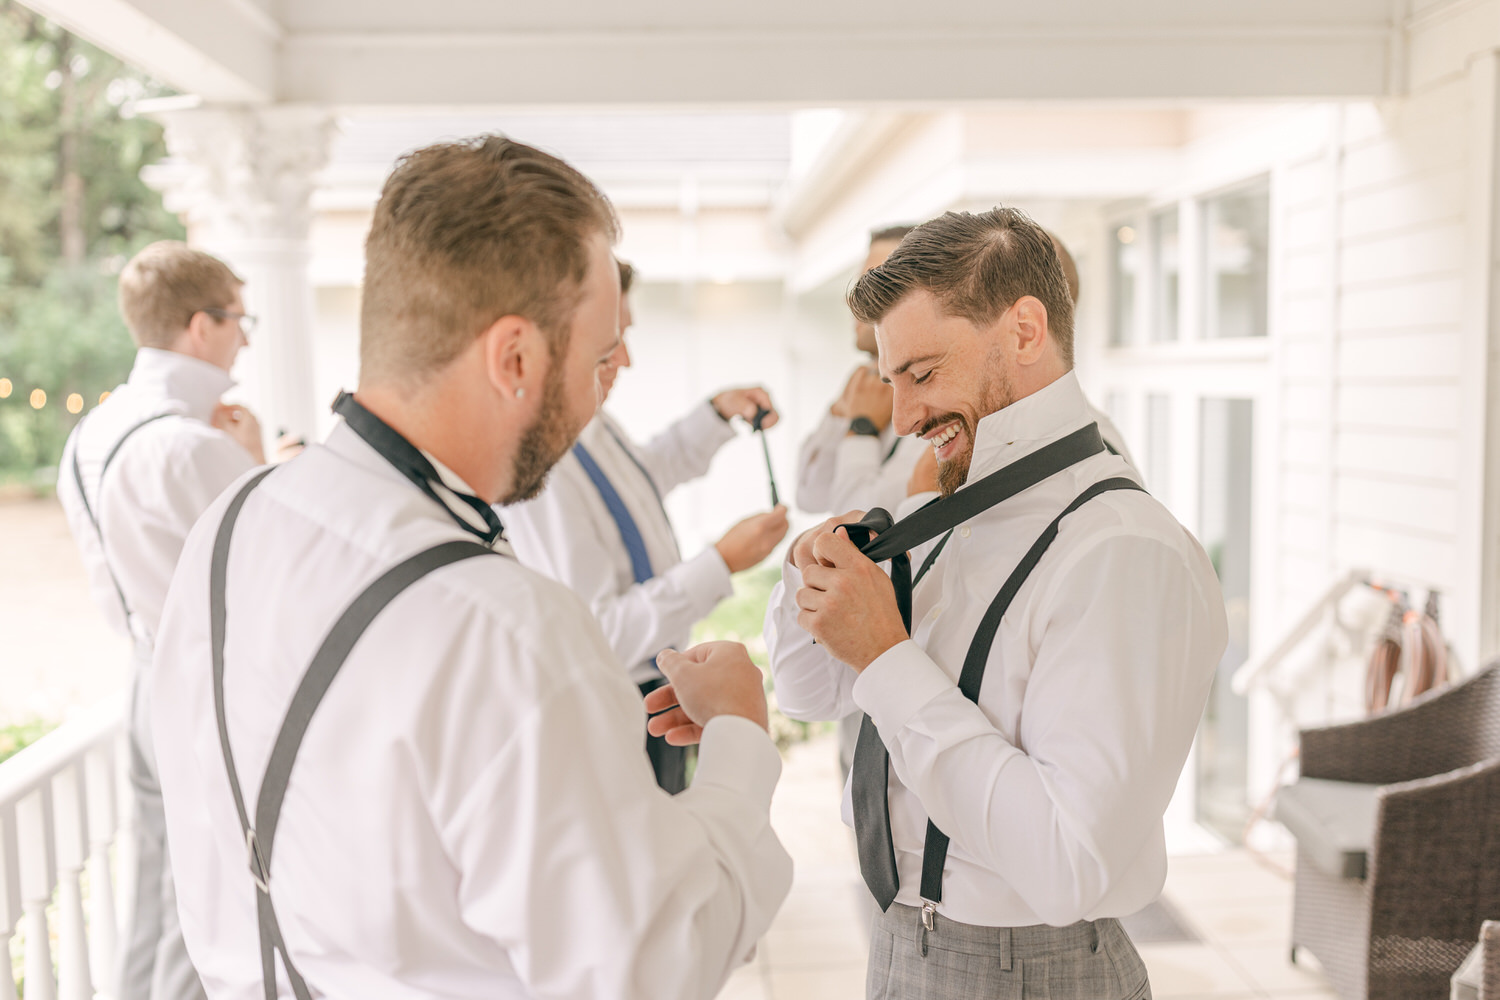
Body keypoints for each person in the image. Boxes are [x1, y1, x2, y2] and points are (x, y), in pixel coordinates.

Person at [151, 136, 792, 1000]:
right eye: (601, 357)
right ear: (516, 358)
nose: (610, 384)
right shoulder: (508, 629)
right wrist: (740, 745)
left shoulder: (227, 525)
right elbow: (654, 969)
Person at [761, 208, 1227, 999]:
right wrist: (806, 584)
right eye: (890, 379)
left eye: (923, 373)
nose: (903, 418)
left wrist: (885, 654)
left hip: (1027, 969)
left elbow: (1066, 863)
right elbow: (813, 694)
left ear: (1023, 330)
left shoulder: (1119, 549)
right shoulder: (952, 509)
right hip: (907, 945)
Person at [56, 241, 268, 1000]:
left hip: (143, 681)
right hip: (209, 696)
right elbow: (277, 574)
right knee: (203, 908)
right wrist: (259, 461)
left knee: (154, 896)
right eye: (241, 319)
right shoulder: (192, 446)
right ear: (199, 325)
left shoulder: (90, 436)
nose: (246, 337)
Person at [504, 259, 789, 793]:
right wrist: (721, 562)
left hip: (653, 693)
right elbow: (603, 634)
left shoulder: (590, 424)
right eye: (613, 345)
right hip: (616, 707)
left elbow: (640, 477)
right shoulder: (540, 473)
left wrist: (715, 414)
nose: (628, 361)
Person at [796, 225, 926, 519]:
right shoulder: (862, 386)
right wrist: (842, 413)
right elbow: (809, 494)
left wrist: (862, 429)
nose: (850, 299)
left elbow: (866, 521)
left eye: (871, 282)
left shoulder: (936, 403)